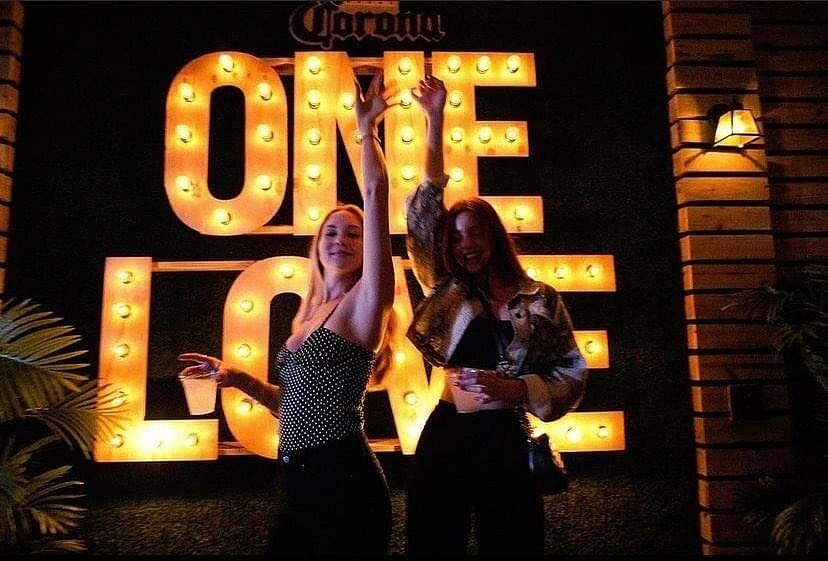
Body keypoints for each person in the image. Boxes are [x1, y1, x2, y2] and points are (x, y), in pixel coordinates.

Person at [177, 71, 395, 556]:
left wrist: (366, 132)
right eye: (332, 232)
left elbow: (377, 198)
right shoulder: (307, 316)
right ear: (317, 246)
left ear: (367, 249)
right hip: (296, 478)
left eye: (354, 234)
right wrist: (234, 377)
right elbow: (294, 407)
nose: (341, 240)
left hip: (343, 478)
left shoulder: (364, 304)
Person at [404, 74, 589, 556]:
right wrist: (435, 118)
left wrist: (521, 389)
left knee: (513, 544)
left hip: (506, 438)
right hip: (446, 433)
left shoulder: (540, 299)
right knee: (432, 541)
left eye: (475, 233)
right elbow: (424, 210)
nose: (466, 243)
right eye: (457, 236)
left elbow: (572, 371)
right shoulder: (447, 290)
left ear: (495, 236)